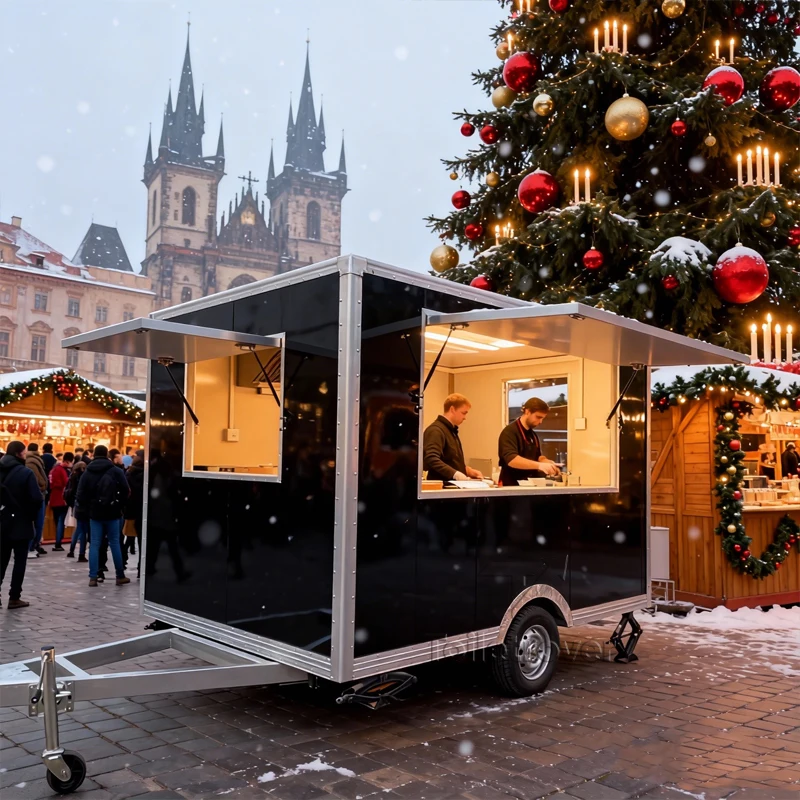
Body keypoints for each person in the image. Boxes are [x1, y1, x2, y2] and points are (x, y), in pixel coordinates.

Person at [75, 444, 131, 588]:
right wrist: (119, 504)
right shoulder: (115, 471)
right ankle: (120, 575)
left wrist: (89, 507)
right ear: (107, 455)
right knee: (114, 542)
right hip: (113, 512)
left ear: (94, 455)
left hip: (95, 513)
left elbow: (80, 495)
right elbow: (126, 490)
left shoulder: (87, 472)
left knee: (94, 543)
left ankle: (93, 577)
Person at [0, 441, 43, 608]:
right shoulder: (25, 473)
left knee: (1, 559)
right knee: (20, 561)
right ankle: (14, 597)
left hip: (2, 521)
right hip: (21, 522)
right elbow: (36, 498)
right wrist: (29, 515)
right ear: (19, 454)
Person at [497, 397, 560, 487]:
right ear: (527, 411)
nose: (540, 422)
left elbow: (537, 456)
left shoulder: (533, 435)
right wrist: (539, 466)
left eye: (543, 418)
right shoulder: (509, 432)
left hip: (529, 485)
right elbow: (511, 460)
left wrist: (545, 461)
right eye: (538, 417)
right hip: (511, 485)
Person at [423, 393, 484, 483]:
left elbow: (450, 461)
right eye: (463, 413)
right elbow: (431, 458)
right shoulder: (436, 431)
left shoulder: (451, 431)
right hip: (442, 488)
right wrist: (455, 474)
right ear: (452, 409)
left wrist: (467, 470)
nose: (465, 418)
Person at [25, 443, 48, 558]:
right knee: (37, 523)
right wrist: (43, 486)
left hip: (35, 496)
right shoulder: (33, 462)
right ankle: (31, 547)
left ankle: (32, 546)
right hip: (37, 496)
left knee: (36, 523)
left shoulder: (31, 461)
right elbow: (38, 480)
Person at [124, 450, 145, 575]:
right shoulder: (147, 474)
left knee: (128, 537)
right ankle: (140, 568)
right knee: (142, 542)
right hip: (142, 510)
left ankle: (122, 561)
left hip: (130, 510)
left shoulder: (129, 473)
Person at [48, 452, 74, 552]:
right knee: (61, 521)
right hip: (62, 499)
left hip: (54, 498)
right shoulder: (62, 471)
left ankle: (57, 540)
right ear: (68, 461)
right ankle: (58, 542)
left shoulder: (54, 470)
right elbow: (66, 483)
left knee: (56, 521)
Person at [64, 461, 88, 561]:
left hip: (75, 505)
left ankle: (71, 550)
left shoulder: (72, 477)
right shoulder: (84, 477)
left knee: (79, 528)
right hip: (84, 506)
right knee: (83, 531)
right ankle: (81, 554)